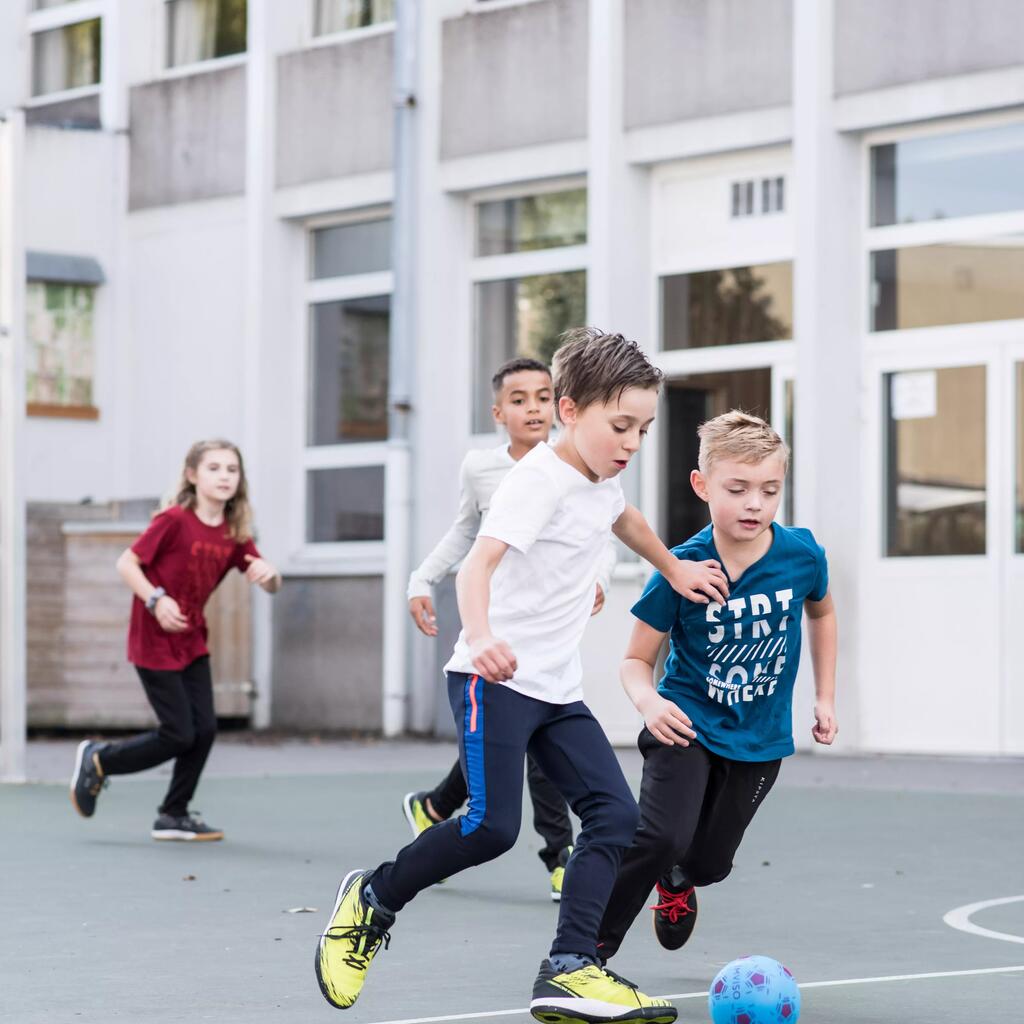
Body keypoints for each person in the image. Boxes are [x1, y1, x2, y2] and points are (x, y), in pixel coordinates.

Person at [315, 328, 730, 1023]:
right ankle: (373, 899)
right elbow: (478, 565)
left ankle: (569, 968)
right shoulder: (535, 480)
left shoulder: (601, 478)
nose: (631, 441)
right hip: (492, 680)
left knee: (615, 816)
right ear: (571, 411)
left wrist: (675, 566)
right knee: (489, 827)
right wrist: (480, 637)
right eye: (619, 424)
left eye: (643, 428)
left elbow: (623, 518)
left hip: (555, 689)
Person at [595, 410, 838, 964]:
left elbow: (822, 615)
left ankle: (680, 883)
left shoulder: (802, 556)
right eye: (738, 489)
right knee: (659, 839)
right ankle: (587, 950)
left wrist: (825, 697)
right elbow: (636, 659)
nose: (755, 503)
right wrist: (649, 702)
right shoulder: (680, 566)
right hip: (685, 723)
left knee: (707, 864)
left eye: (769, 490)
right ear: (702, 486)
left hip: (760, 737)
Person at [404, 355, 615, 901]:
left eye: (542, 397)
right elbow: (466, 539)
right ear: (499, 412)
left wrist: (601, 579)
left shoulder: (588, 469)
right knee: (519, 768)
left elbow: (606, 532)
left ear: (560, 405)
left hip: (551, 643)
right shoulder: (484, 469)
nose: (533, 409)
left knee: (523, 747)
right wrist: (421, 579)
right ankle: (559, 855)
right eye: (519, 400)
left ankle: (433, 807)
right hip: (497, 637)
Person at [69, 440, 281, 841]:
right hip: (153, 637)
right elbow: (126, 563)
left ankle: (173, 814)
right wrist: (155, 599)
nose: (224, 476)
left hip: (191, 638)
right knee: (179, 732)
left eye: (231, 469)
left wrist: (270, 575)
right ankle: (100, 760)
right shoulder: (174, 520)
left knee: (205, 730)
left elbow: (270, 583)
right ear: (192, 475)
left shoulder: (235, 533)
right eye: (214, 468)